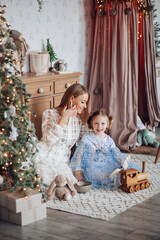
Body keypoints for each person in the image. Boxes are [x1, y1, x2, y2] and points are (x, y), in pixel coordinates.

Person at [34, 83, 90, 186]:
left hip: (62, 162)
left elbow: (81, 147)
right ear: (72, 99)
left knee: (67, 184)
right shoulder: (50, 113)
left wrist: (77, 171)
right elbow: (48, 141)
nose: (85, 106)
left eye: (85, 103)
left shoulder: (78, 121)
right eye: (82, 102)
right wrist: (63, 119)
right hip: (44, 155)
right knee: (44, 185)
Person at [71, 109, 140, 189]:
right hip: (93, 167)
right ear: (91, 124)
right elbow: (78, 156)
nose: (99, 126)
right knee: (104, 176)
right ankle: (114, 177)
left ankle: (119, 173)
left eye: (103, 123)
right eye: (96, 123)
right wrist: (78, 173)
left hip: (107, 164)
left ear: (107, 124)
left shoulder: (108, 139)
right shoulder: (87, 138)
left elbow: (116, 154)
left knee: (120, 168)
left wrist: (123, 162)